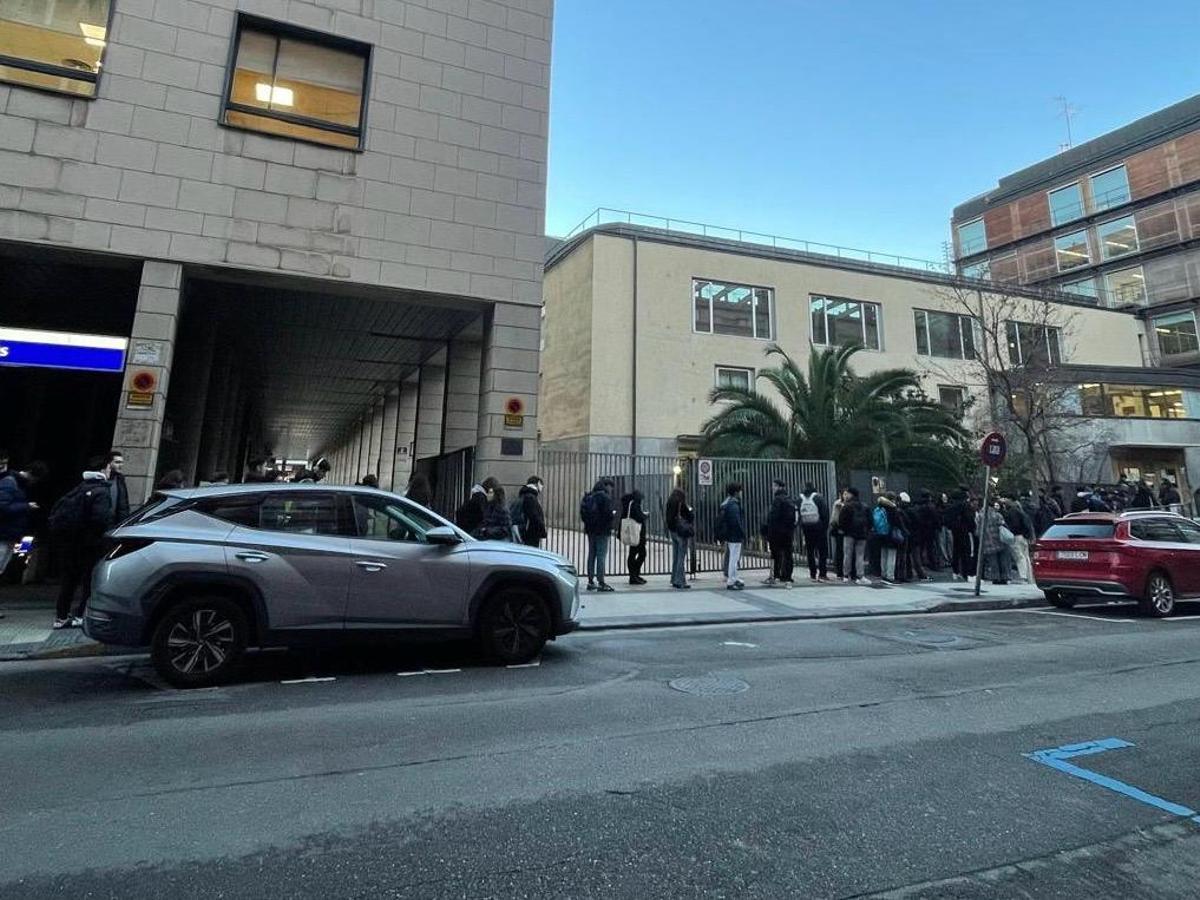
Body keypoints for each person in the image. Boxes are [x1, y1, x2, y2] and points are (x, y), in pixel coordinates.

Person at [50, 459, 116, 629]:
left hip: (70, 543)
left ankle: (61, 616)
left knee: (68, 582)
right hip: (90, 545)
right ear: (104, 469)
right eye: (109, 467)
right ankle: (80, 614)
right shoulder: (101, 491)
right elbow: (100, 519)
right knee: (89, 581)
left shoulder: (79, 488)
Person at [0, 461, 47, 580]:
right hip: (4, 533)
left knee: (2, 565)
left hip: (9, 533)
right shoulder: (11, 483)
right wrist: (26, 506)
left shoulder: (17, 483)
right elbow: (2, 506)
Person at [580, 478, 616, 592]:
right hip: (602, 531)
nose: (611, 490)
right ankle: (601, 582)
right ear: (606, 486)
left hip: (590, 530)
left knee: (591, 555)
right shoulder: (605, 498)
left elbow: (583, 514)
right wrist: (612, 514)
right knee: (601, 556)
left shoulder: (588, 497)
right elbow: (608, 515)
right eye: (610, 487)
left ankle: (590, 581)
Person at [763, 480, 798, 586]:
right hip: (788, 532)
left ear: (779, 487)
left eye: (773, 486)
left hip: (777, 532)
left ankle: (775, 575)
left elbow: (773, 517)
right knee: (788, 554)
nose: (772, 488)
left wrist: (769, 530)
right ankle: (787, 576)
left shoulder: (777, 500)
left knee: (775, 554)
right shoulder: (790, 499)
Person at [797, 481, 829, 583]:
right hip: (819, 528)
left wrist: (801, 525)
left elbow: (797, 514)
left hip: (807, 528)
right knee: (822, 552)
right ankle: (822, 574)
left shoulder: (800, 499)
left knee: (810, 552)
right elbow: (825, 513)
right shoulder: (818, 498)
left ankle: (812, 573)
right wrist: (824, 527)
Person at [837, 486, 869, 584]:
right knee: (860, 555)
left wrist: (843, 529)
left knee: (847, 555)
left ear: (851, 494)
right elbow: (870, 521)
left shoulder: (847, 506)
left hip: (849, 534)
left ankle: (846, 575)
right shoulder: (865, 506)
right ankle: (860, 576)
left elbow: (841, 521)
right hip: (862, 534)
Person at [717, 482, 747, 590]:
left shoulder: (727, 503)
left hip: (730, 534)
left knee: (733, 557)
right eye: (740, 491)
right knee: (734, 559)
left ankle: (734, 577)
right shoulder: (733, 505)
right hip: (735, 535)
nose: (741, 493)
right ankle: (731, 581)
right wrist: (742, 533)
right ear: (736, 492)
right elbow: (736, 521)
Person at [664, 488, 694, 590]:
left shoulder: (669, 501)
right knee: (681, 557)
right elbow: (690, 516)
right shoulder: (680, 502)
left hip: (672, 531)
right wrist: (690, 510)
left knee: (676, 556)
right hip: (680, 532)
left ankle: (674, 579)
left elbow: (668, 518)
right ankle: (680, 581)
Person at [978, 500, 1012, 585]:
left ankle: (995, 578)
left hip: (987, 542)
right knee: (1003, 560)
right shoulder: (997, 515)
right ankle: (1004, 577)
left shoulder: (979, 516)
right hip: (999, 540)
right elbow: (1003, 525)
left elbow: (978, 530)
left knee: (993, 561)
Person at [897, 492, 929, 583]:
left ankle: (909, 573)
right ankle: (921, 574)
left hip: (907, 536)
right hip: (914, 536)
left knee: (906, 557)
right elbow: (919, 523)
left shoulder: (901, 511)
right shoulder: (912, 511)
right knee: (915, 557)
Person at [619, 488, 648, 585]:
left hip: (634, 533)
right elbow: (638, 517)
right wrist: (645, 516)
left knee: (634, 553)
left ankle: (634, 575)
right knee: (640, 554)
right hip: (636, 533)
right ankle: (633, 576)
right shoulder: (634, 504)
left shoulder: (628, 503)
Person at [944, 488, 974, 581]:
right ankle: (966, 573)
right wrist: (972, 528)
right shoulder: (965, 505)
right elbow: (969, 518)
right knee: (966, 552)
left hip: (954, 530)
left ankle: (956, 571)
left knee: (956, 551)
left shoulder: (950, 506)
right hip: (965, 530)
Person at [1003, 497, 1035, 582]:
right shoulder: (1022, 512)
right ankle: (1029, 577)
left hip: (1016, 536)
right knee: (1026, 557)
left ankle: (1023, 576)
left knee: (1019, 557)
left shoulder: (1012, 512)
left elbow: (1014, 525)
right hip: (1023, 536)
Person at [873, 493, 903, 584]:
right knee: (891, 555)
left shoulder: (879, 507)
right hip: (891, 534)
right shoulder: (892, 508)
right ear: (892, 499)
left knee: (884, 554)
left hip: (881, 534)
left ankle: (883, 574)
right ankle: (890, 576)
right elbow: (898, 522)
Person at [514, 476, 547, 548]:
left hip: (525, 533)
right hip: (530, 535)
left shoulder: (524, 495)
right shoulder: (530, 497)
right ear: (538, 483)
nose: (541, 488)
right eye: (541, 485)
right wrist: (542, 530)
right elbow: (534, 516)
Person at [104, 451, 130, 523]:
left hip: (115, 523)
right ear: (109, 464)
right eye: (117, 462)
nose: (121, 465)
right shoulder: (99, 479)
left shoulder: (120, 480)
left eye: (121, 462)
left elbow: (124, 504)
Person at [829, 487, 846, 579]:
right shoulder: (838, 504)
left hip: (847, 531)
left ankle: (845, 571)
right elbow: (834, 518)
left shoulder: (849, 504)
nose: (846, 496)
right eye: (844, 494)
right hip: (839, 530)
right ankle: (839, 571)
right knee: (840, 551)